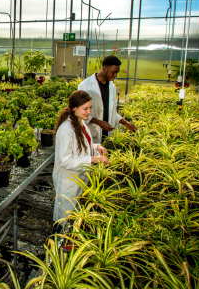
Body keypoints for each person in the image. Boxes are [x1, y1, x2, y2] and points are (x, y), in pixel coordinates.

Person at [53, 90, 109, 232]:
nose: (89, 111)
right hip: (68, 183)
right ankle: (56, 248)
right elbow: (66, 160)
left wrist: (97, 147)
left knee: (73, 219)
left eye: (90, 108)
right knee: (64, 221)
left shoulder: (80, 123)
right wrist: (92, 159)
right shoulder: (66, 129)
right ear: (74, 108)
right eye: (86, 108)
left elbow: (83, 147)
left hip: (78, 180)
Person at [78, 55, 137, 144]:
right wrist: (99, 122)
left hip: (107, 133)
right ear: (104, 69)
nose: (115, 75)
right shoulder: (85, 85)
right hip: (92, 132)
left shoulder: (112, 86)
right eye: (113, 72)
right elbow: (79, 111)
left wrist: (125, 123)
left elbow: (112, 112)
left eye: (117, 72)